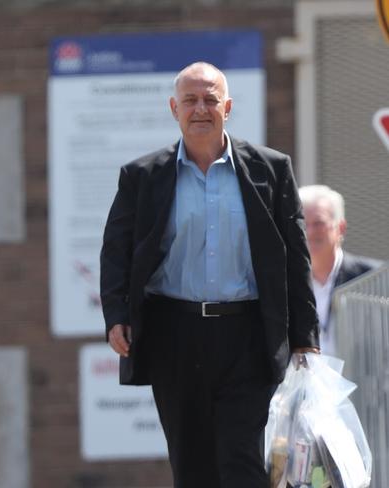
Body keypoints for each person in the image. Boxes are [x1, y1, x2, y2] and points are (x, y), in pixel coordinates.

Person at [100, 62, 319, 487]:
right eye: (190, 101)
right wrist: (116, 315)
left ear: (228, 106)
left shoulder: (270, 170)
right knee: (193, 464)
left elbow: (295, 256)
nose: (200, 109)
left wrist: (305, 340)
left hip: (249, 335)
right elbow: (116, 251)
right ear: (174, 108)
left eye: (210, 99)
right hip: (174, 335)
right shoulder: (143, 176)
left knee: (243, 462)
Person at [299, 184, 382, 355]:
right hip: (306, 380)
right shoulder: (288, 282)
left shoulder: (373, 278)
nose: (310, 232)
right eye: (303, 224)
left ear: (341, 227)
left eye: (319, 223)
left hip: (360, 379)